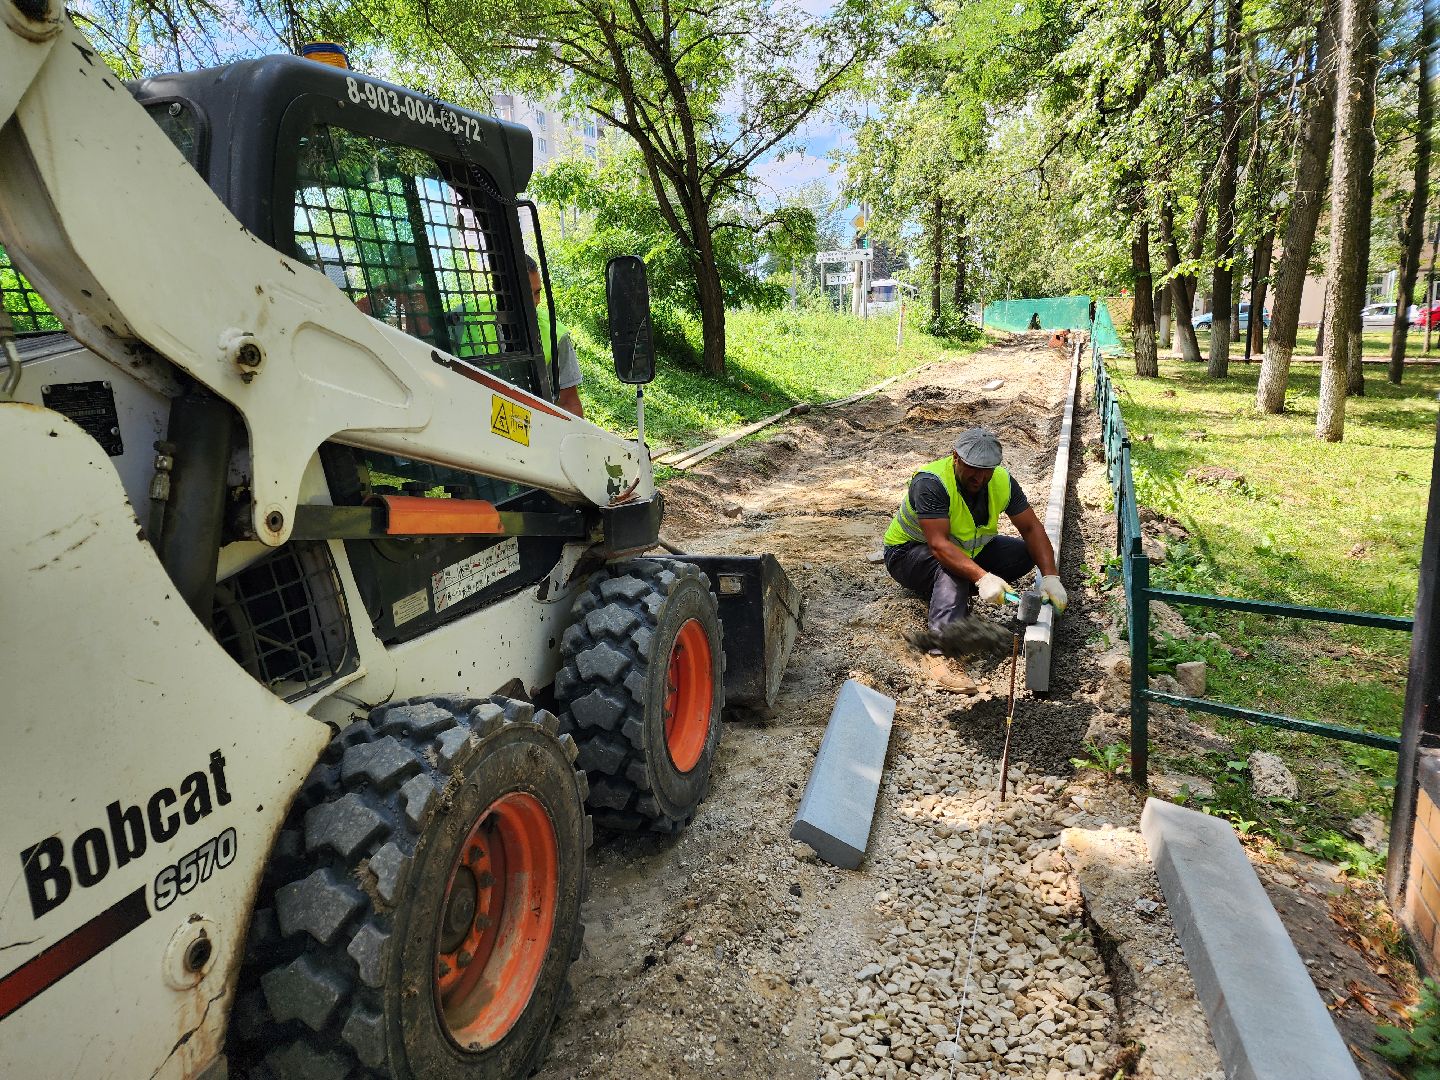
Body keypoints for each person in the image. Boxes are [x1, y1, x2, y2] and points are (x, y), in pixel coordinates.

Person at [883, 427, 1067, 693]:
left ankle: (954, 593)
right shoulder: (931, 482)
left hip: (961, 551)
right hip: (908, 554)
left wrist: (1050, 576)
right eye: (973, 468)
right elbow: (939, 546)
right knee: (951, 569)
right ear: (956, 457)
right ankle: (939, 653)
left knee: (1025, 553)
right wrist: (982, 577)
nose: (979, 477)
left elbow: (1031, 528)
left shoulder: (1002, 481)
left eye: (987, 470)